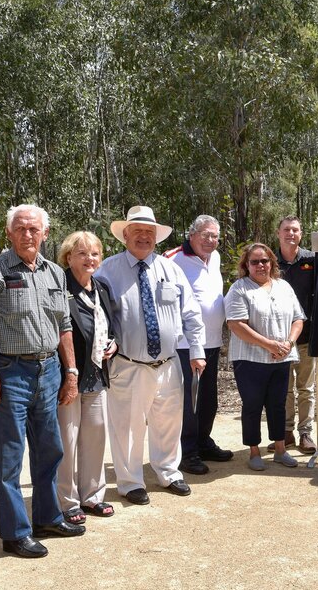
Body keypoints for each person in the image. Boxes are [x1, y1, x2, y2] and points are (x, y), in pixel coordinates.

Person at [0, 204, 84, 559]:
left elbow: (64, 326)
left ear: (46, 234)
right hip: (9, 372)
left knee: (50, 448)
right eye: (20, 228)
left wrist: (71, 372)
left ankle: (47, 517)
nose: (27, 234)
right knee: (9, 456)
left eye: (34, 229)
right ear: (9, 233)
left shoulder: (54, 273)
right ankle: (15, 533)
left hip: (48, 370)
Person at [96, 206, 205, 505]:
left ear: (156, 237)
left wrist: (196, 351)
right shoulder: (107, 270)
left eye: (149, 232)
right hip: (128, 365)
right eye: (137, 232)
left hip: (169, 364)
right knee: (127, 427)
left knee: (168, 422)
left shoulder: (171, 269)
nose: (143, 237)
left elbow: (192, 313)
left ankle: (168, 472)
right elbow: (98, 316)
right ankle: (130, 482)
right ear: (125, 236)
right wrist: (106, 342)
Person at [226, 243, 305, 471]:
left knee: (278, 404)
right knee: (252, 405)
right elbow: (236, 325)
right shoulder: (239, 289)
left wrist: (288, 343)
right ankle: (253, 452)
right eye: (254, 262)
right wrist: (269, 344)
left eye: (265, 260)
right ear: (246, 265)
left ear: (272, 262)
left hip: (281, 358)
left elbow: (298, 319)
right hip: (249, 360)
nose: (261, 265)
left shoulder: (284, 287)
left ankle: (280, 450)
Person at [165, 215, 234, 475]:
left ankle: (204, 442)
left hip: (213, 342)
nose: (210, 241)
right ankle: (187, 451)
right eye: (205, 235)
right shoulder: (172, 258)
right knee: (189, 402)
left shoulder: (214, 258)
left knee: (208, 400)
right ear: (191, 234)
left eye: (215, 236)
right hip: (185, 345)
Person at [56, 231, 117, 524]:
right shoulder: (59, 286)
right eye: (82, 253)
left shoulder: (102, 287)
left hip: (96, 375)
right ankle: (66, 501)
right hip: (68, 375)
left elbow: (111, 325)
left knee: (95, 436)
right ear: (68, 257)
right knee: (67, 440)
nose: (89, 259)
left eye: (94, 253)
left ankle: (92, 495)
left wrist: (113, 343)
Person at [274, 216, 317, 455]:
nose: (291, 233)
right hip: (277, 340)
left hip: (306, 338)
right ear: (279, 233)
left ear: (301, 233)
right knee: (284, 388)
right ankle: (286, 432)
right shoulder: (269, 262)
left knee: (306, 389)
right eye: (286, 230)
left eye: (295, 230)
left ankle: (305, 433)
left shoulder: (312, 260)